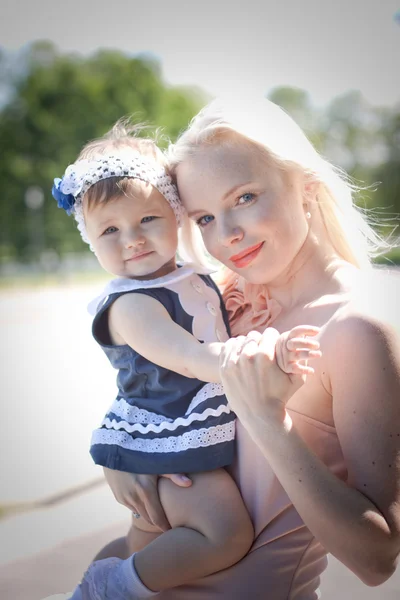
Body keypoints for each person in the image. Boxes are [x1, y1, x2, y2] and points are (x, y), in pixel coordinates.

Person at [77, 96, 400, 600]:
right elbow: (154, 383)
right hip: (135, 573)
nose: (227, 235)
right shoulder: (229, 297)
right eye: (204, 218)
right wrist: (123, 456)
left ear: (306, 190)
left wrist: (270, 421)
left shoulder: (354, 329)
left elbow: (377, 559)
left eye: (245, 198)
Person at [48, 120, 321, 600]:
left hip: (188, 425)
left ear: (176, 217)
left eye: (146, 220)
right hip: (168, 436)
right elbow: (192, 358)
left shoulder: (189, 277)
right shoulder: (132, 304)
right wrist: (272, 349)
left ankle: (107, 578)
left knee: (146, 537)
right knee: (224, 535)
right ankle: (112, 587)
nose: (131, 238)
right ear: (88, 238)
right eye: (109, 229)